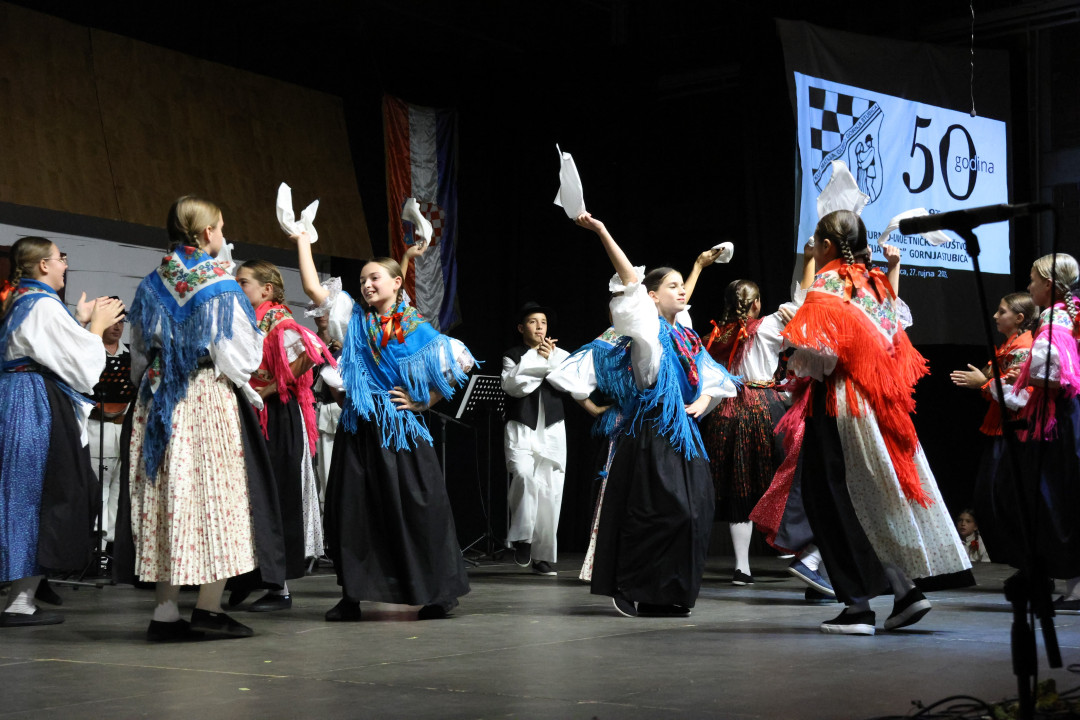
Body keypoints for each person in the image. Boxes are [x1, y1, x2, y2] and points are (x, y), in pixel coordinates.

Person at [781, 209, 972, 635]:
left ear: (826, 245)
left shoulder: (827, 285)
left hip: (842, 404)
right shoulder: (875, 283)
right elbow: (895, 343)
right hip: (882, 404)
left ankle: (857, 608)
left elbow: (819, 358)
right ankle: (905, 591)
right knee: (877, 499)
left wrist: (791, 346)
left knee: (832, 499)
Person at [292, 231, 476, 621]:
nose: (366, 285)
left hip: (400, 432)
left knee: (418, 510)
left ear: (396, 283)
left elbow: (459, 362)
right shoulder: (353, 319)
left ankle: (437, 593)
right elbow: (313, 289)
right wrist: (303, 240)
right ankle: (353, 596)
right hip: (359, 430)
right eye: (362, 280)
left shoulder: (415, 328)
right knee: (353, 512)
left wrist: (424, 401)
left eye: (374, 278)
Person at [125, 196, 281, 641]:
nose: (223, 235)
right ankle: (209, 609)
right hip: (202, 396)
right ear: (208, 232)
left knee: (169, 498)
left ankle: (165, 613)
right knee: (217, 497)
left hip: (158, 398)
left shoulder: (152, 283)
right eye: (221, 227)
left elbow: (139, 353)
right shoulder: (220, 283)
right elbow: (242, 355)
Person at [574, 212, 738, 618]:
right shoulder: (647, 330)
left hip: (683, 431)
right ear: (652, 297)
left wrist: (705, 399)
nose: (682, 291)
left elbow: (715, 376)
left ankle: (669, 594)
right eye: (673, 286)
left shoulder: (685, 333)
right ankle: (633, 587)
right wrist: (602, 230)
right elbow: (631, 281)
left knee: (696, 511)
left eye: (683, 285)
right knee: (661, 512)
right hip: (652, 432)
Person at [0, 236, 124, 626]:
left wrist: (82, 322)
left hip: (21, 397)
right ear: (43, 265)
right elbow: (81, 364)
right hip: (31, 403)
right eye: (60, 258)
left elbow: (51, 347)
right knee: (40, 493)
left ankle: (30, 588)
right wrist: (97, 327)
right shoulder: (41, 303)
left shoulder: (26, 299)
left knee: (42, 490)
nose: (65, 264)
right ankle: (20, 601)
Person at [692, 247, 813, 587]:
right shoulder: (770, 325)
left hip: (727, 410)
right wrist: (807, 260)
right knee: (783, 476)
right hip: (765, 407)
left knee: (739, 485)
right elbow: (802, 303)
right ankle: (792, 545)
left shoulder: (716, 335)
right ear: (756, 304)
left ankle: (742, 567)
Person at [229, 259, 335, 611]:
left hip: (277, 414)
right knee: (247, 496)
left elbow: (312, 353)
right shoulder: (248, 320)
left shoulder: (279, 320)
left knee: (276, 493)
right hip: (253, 410)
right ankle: (248, 576)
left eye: (243, 282)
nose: (237, 287)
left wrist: (271, 388)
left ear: (267, 290)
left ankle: (279, 587)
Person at [998, 254, 1080, 614]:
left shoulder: (1053, 322)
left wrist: (1020, 377)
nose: (1029, 286)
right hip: (1064, 417)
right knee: (1061, 497)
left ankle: (1074, 587)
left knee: (1059, 498)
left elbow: (1057, 378)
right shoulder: (1064, 317)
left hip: (1057, 420)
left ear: (1048, 284)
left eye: (1032, 280)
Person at [502, 302, 569, 576]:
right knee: (523, 474)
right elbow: (514, 386)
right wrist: (538, 360)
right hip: (522, 427)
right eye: (533, 322)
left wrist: (548, 362)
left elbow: (567, 383)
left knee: (550, 490)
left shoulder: (560, 355)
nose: (540, 327)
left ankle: (542, 557)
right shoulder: (512, 356)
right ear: (521, 328)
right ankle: (522, 537)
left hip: (552, 429)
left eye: (543, 322)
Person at [950, 293, 1037, 436]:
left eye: (1002, 312)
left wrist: (983, 383)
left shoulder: (1023, 347)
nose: (995, 316)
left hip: (1019, 424)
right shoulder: (1011, 342)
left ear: (1019, 318)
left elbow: (1019, 396)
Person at [86, 310, 136, 554]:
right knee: (100, 488)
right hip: (98, 428)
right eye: (112, 321)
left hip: (124, 428)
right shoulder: (89, 350)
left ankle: (110, 550)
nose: (117, 327)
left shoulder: (131, 355)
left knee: (118, 490)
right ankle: (95, 547)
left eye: (121, 322)